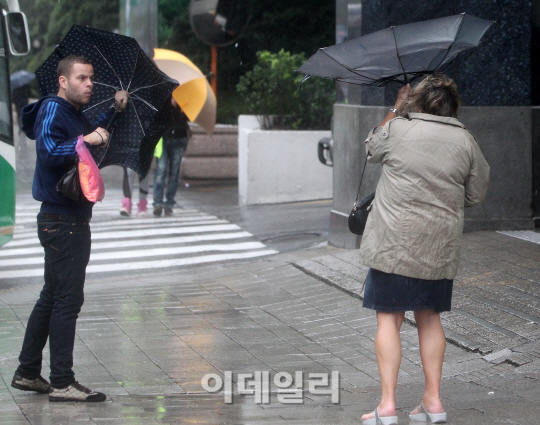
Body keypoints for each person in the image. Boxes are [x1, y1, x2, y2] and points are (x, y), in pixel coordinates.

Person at [359, 74, 490, 425]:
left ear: (416, 101)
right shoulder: (465, 140)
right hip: (438, 245)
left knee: (389, 318)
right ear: (453, 105)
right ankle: (433, 401)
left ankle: (386, 407)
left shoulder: (399, 129)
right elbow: (476, 194)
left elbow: (371, 148)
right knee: (429, 318)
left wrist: (395, 108)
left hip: (393, 243)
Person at [11, 54, 129, 402]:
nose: (89, 83)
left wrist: (113, 110)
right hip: (62, 220)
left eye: (91, 78)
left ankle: (28, 372)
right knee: (67, 300)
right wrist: (88, 140)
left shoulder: (73, 115)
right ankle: (62, 381)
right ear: (63, 81)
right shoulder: (52, 109)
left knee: (53, 297)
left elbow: (88, 134)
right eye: (82, 78)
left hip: (67, 219)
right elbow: (49, 151)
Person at [152, 97, 190, 217]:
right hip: (163, 140)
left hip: (179, 141)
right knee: (161, 170)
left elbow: (187, 122)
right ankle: (158, 203)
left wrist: (183, 111)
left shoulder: (185, 105)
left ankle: (169, 204)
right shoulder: (163, 104)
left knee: (174, 174)